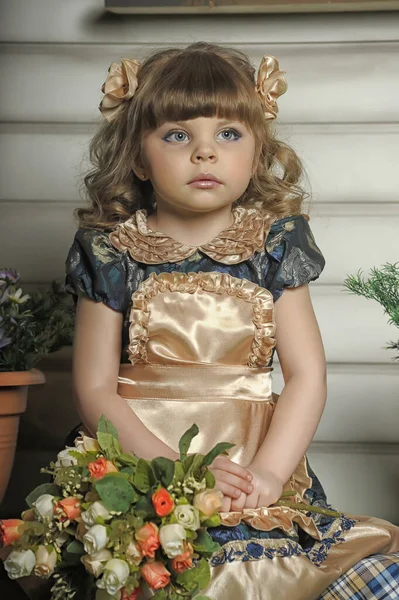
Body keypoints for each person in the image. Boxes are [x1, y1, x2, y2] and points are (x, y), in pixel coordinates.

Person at [65, 42, 399, 600]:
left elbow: (307, 377)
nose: (204, 153)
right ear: (139, 158)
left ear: (258, 150)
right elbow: (94, 387)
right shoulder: (112, 253)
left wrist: (268, 476)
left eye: (228, 134)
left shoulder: (272, 247)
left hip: (251, 466)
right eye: (178, 135)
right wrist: (179, 475)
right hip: (144, 466)